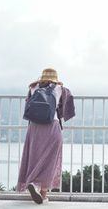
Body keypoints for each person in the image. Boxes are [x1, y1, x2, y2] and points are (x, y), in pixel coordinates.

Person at [16, 68, 75, 204]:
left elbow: (28, 105)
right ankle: (43, 193)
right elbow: (67, 109)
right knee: (50, 161)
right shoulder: (60, 89)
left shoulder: (33, 88)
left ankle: (33, 184)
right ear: (55, 78)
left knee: (34, 157)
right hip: (52, 126)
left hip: (35, 127)